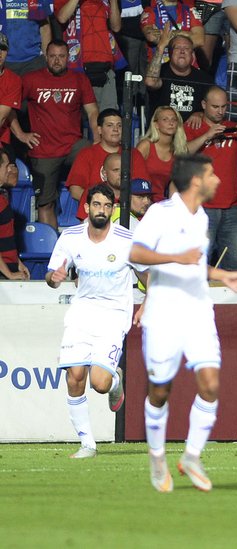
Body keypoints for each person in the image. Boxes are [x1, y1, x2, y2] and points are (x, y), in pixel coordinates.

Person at [129, 154, 237, 492]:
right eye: (212, 174)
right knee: (160, 390)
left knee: (211, 384)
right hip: (164, 313)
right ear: (196, 180)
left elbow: (194, 265)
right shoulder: (160, 214)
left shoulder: (201, 217)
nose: (218, 180)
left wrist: (220, 274)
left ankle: (192, 456)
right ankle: (157, 457)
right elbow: (136, 254)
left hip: (198, 310)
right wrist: (176, 257)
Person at [45, 184, 142, 458]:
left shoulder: (126, 240)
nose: (102, 210)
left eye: (107, 206)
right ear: (87, 208)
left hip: (113, 314)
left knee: (99, 383)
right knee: (75, 376)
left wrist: (149, 303)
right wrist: (54, 279)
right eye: (97, 204)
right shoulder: (70, 237)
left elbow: (148, 275)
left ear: (112, 210)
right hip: (82, 312)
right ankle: (87, 443)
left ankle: (114, 381)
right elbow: (51, 276)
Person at [15, 40, 98, 228]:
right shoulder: (31, 79)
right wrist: (21, 134)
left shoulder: (79, 79)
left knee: (96, 154)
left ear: (68, 57)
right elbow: (10, 107)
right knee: (45, 203)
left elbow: (93, 111)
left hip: (73, 146)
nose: (57, 61)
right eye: (52, 56)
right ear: (45, 56)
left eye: (61, 56)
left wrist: (98, 140)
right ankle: (52, 249)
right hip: (44, 150)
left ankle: (92, 232)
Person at [185, 86, 237, 274]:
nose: (220, 111)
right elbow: (181, 153)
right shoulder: (191, 127)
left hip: (232, 207)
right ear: (203, 105)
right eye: (215, 107)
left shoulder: (232, 128)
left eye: (223, 107)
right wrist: (207, 136)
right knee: (198, 263)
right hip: (202, 208)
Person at [143, 32, 211, 121]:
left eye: (186, 48)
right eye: (177, 48)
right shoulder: (160, 72)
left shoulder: (203, 79)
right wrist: (161, 47)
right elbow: (150, 82)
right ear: (170, 53)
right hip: (161, 131)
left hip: (191, 132)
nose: (182, 51)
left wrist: (201, 114)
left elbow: (214, 107)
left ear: (192, 54)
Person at [136, 106, 188, 203]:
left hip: (165, 204)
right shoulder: (146, 146)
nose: (171, 123)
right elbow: (133, 175)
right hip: (143, 201)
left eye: (174, 120)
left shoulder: (179, 150)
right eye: (165, 120)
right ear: (156, 124)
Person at [0, 149, 31, 280]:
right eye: (6, 166)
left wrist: (17, 262)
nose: (10, 171)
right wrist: (9, 274)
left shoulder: (2, 199)